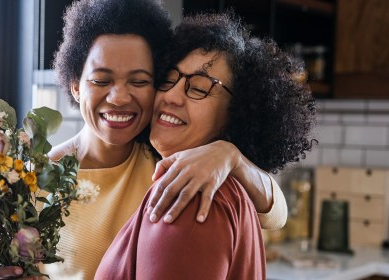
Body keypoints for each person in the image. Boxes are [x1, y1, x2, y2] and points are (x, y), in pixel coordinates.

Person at [0, 1, 288, 279]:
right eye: (101, 80)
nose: (119, 97)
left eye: (139, 81)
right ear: (75, 85)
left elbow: (276, 214)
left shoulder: (168, 158)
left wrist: (229, 155)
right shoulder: (34, 178)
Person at [95, 11, 316, 279]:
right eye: (168, 80)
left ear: (238, 112)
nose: (171, 96)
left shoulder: (191, 194)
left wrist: (232, 156)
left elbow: (277, 212)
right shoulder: (203, 178)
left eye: (199, 88)